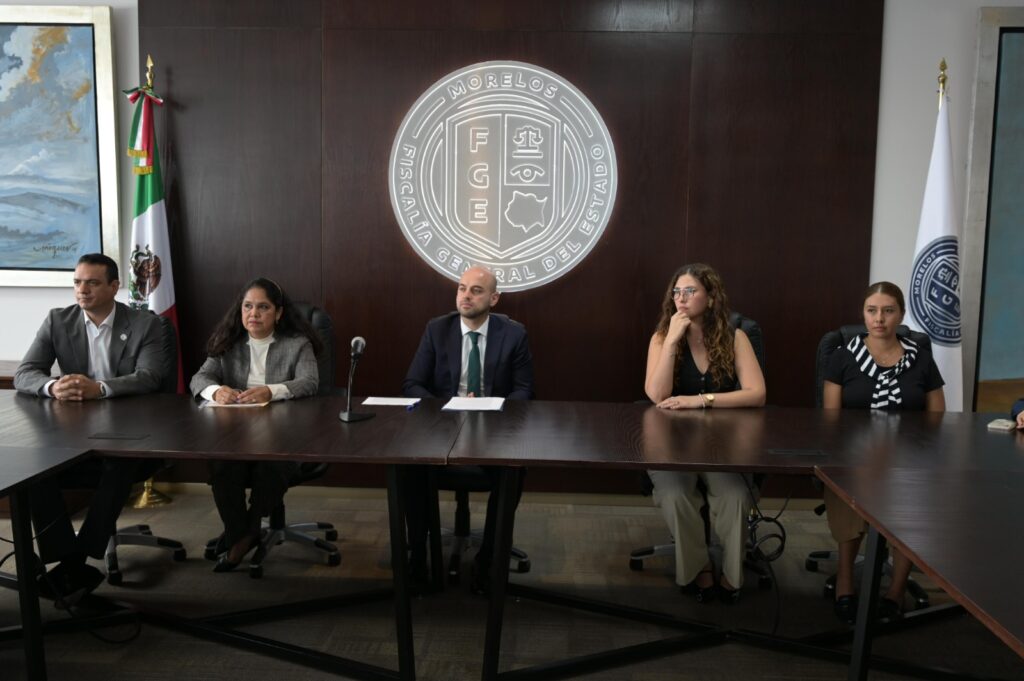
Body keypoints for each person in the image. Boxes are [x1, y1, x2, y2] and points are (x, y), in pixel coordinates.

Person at [14, 253, 169, 604]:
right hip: (74, 430)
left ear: (115, 286)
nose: (82, 290)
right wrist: (53, 387)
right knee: (35, 471)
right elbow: (26, 372)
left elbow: (150, 377)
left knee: (118, 466)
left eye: (92, 283)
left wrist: (99, 389)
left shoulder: (145, 324)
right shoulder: (58, 320)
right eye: (77, 282)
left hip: (132, 430)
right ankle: (67, 560)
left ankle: (78, 560)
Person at [402, 265, 534, 594]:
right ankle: (418, 558)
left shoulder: (513, 334)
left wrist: (491, 405)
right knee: (409, 467)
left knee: (512, 470)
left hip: (493, 430)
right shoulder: (437, 329)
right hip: (442, 427)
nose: (466, 296)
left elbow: (524, 390)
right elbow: (413, 384)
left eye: (476, 290)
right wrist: (449, 405)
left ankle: (488, 562)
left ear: (494, 298)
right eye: (462, 288)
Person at [822, 281, 945, 623]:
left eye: (888, 311)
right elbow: (830, 421)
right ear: (863, 314)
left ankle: (895, 591)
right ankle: (846, 583)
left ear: (901, 315)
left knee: (911, 495)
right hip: (853, 457)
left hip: (907, 458)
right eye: (872, 311)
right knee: (845, 488)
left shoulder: (921, 360)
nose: (879, 319)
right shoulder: (842, 357)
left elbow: (938, 419)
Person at [644, 263, 766, 604]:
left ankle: (732, 576)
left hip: (721, 444)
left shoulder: (735, 337)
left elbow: (757, 393)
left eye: (690, 291)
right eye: (677, 292)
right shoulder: (661, 338)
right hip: (670, 444)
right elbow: (656, 394)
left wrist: (701, 400)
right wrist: (672, 341)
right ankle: (698, 569)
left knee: (735, 497)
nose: (681, 298)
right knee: (676, 495)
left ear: (711, 298)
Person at [190, 277, 322, 572]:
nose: (254, 314)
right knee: (222, 466)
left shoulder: (297, 344)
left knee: (270, 467)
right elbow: (200, 378)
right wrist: (216, 391)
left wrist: (271, 391)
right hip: (235, 433)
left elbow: (309, 382)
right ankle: (242, 532)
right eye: (248, 306)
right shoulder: (228, 342)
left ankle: (243, 535)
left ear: (278, 312)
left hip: (285, 433)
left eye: (263, 307)